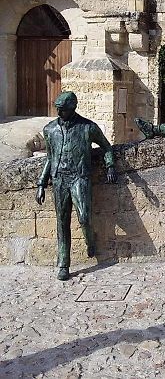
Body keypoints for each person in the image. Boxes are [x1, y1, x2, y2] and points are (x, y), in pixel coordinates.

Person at [35, 92, 117, 281]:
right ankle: (64, 264)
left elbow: (106, 146)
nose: (59, 112)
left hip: (80, 177)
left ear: (73, 108)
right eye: (57, 109)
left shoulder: (88, 127)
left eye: (62, 110)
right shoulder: (50, 130)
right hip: (59, 179)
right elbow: (50, 157)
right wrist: (41, 183)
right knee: (62, 222)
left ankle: (90, 241)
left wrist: (110, 165)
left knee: (84, 217)